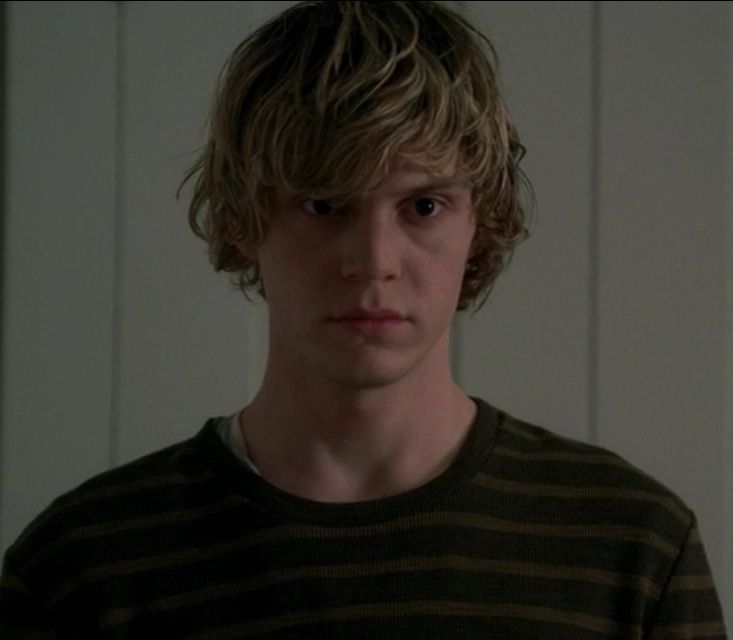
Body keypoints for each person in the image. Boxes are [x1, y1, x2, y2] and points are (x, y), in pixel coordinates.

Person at [0, 1, 726, 637]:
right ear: (240, 218)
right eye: (322, 204)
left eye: (423, 206)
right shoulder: (83, 567)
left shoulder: (630, 545)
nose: (372, 260)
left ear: (483, 221)